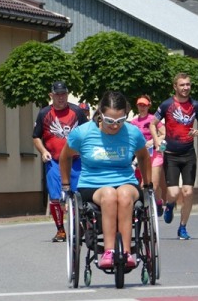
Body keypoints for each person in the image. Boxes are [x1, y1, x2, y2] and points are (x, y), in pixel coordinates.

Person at [59, 91, 152, 269]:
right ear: (100, 114)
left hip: (126, 180)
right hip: (92, 184)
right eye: (110, 121)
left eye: (120, 120)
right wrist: (65, 186)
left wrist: (147, 184)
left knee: (124, 195)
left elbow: (143, 156)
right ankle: (109, 251)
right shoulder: (83, 133)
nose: (115, 126)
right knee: (109, 195)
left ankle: (125, 252)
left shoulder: (133, 132)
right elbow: (65, 157)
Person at [150, 74, 198, 240]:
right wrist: (156, 141)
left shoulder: (196, 105)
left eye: (188, 85)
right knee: (174, 193)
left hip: (189, 154)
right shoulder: (167, 104)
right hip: (171, 155)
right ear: (175, 87)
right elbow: (152, 124)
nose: (186, 88)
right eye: (182, 85)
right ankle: (169, 205)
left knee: (188, 192)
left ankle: (183, 227)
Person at [32, 81, 89, 242]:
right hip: (54, 161)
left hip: (76, 161)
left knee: (80, 195)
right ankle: (60, 231)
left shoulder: (76, 111)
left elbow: (88, 133)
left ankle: (81, 225)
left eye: (63, 94)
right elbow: (36, 136)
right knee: (55, 196)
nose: (61, 98)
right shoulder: (44, 113)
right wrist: (43, 152)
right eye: (57, 95)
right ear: (51, 95)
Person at [131, 95, 166, 216]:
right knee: (142, 185)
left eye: (144, 105)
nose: (142, 107)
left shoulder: (154, 119)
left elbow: (164, 134)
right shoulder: (134, 122)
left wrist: (154, 140)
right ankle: (145, 208)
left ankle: (158, 201)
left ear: (148, 106)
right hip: (140, 156)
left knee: (154, 185)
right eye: (140, 105)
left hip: (155, 155)